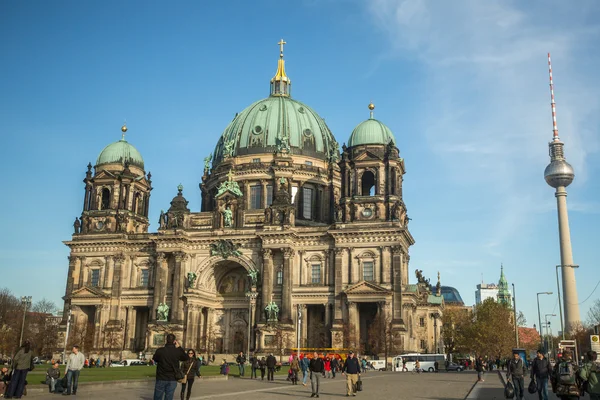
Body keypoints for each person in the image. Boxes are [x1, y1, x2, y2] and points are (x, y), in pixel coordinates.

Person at [152, 333, 188, 400]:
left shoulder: (160, 350)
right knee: (169, 396)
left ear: (166, 340)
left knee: (158, 396)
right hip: (172, 378)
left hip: (161, 377)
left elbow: (155, 359)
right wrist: (179, 347)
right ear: (174, 341)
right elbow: (185, 358)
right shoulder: (177, 351)